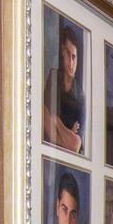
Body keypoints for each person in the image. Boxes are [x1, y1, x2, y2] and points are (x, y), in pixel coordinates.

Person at [44, 22, 84, 153]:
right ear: (62, 51)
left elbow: (76, 145)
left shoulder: (80, 95)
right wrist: (68, 133)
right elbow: (44, 119)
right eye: (68, 54)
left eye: (74, 57)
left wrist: (56, 121)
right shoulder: (54, 76)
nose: (71, 63)